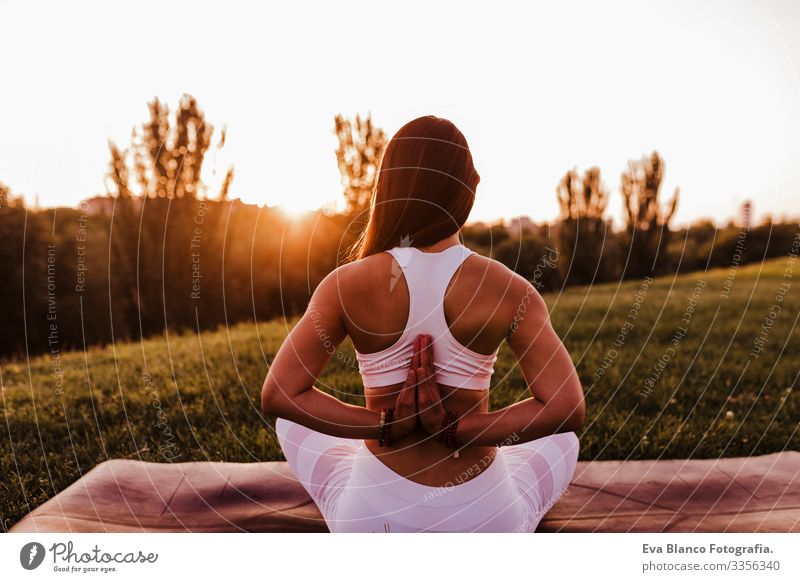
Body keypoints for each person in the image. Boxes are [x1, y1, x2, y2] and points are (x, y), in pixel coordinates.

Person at [261, 115, 585, 532]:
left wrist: (382, 425)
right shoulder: (509, 288)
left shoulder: (345, 284)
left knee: (294, 423)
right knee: (561, 440)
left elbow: (280, 395)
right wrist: (458, 428)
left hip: (372, 520)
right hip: (484, 520)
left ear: (390, 187)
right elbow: (566, 408)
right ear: (469, 188)